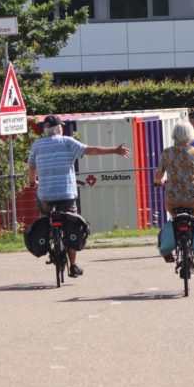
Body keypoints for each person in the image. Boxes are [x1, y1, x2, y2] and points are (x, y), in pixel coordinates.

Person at [27, 115, 130, 278]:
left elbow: (32, 168)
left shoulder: (37, 145)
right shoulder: (68, 142)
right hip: (67, 193)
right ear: (59, 128)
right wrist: (114, 150)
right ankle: (73, 265)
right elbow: (90, 150)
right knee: (70, 224)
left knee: (44, 218)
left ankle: (46, 239)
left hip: (46, 194)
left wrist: (33, 182)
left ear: (45, 131)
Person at [154, 121, 194, 271]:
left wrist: (159, 182)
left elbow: (158, 176)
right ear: (190, 135)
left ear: (174, 134)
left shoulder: (167, 152)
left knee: (173, 221)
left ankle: (168, 248)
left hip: (173, 199)